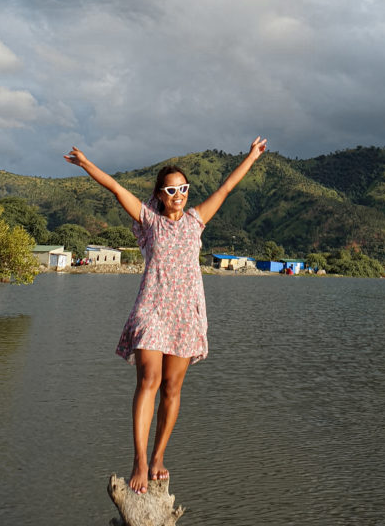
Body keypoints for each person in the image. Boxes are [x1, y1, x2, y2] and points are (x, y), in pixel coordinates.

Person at [64, 136, 267, 494]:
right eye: (171, 190)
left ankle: (158, 457)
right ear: (159, 194)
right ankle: (140, 460)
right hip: (152, 310)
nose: (179, 195)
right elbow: (114, 188)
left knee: (172, 388)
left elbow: (228, 187)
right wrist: (86, 164)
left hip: (186, 313)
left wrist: (251, 156)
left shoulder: (195, 221)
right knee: (149, 381)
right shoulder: (148, 221)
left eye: (183, 189)